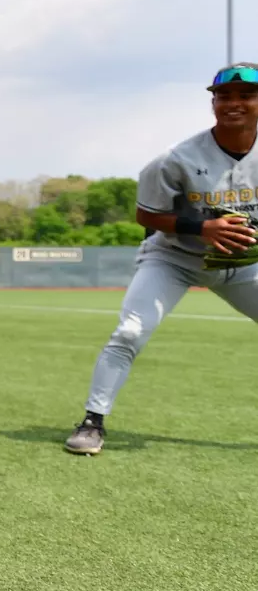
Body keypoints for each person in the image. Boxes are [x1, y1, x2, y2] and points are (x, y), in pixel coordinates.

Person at [65, 64, 258, 454]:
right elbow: (146, 215)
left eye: (246, 95)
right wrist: (203, 228)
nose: (234, 103)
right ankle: (92, 422)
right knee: (130, 332)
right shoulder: (176, 159)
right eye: (224, 96)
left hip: (243, 266)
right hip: (174, 258)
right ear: (213, 103)